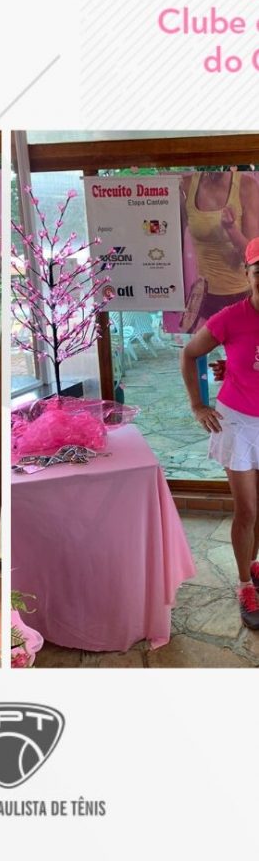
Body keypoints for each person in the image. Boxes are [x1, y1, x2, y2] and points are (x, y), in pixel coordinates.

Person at [181, 236, 259, 629]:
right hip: (239, 423)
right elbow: (189, 353)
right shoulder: (230, 317)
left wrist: (235, 368)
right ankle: (244, 584)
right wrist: (198, 405)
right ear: (247, 273)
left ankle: (255, 565)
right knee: (247, 510)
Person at [180, 170, 259, 328]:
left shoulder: (246, 185)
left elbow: (253, 257)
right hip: (203, 297)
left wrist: (231, 229)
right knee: (195, 344)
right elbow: (174, 240)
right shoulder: (186, 184)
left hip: (242, 295)